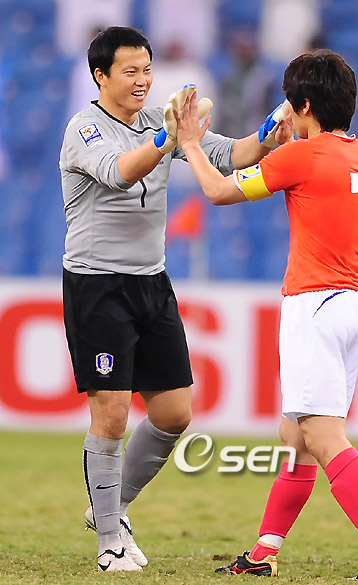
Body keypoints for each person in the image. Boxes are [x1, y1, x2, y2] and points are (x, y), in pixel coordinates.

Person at [174, 49, 358, 581]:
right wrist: (285, 142)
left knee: (322, 437)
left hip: (313, 305)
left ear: (304, 105)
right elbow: (319, 181)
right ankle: (264, 552)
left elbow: (218, 190)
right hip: (352, 303)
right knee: (296, 439)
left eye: (291, 102)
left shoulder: (301, 158)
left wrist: (189, 142)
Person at [59, 25, 290, 573]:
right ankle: (110, 543)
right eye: (130, 71)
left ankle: (109, 508)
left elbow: (232, 154)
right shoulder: (85, 129)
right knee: (111, 412)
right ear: (101, 76)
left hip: (151, 281)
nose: (142, 80)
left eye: (147, 69)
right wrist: (168, 138)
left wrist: (271, 130)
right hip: (98, 283)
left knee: (174, 413)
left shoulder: (156, 122)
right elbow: (119, 173)